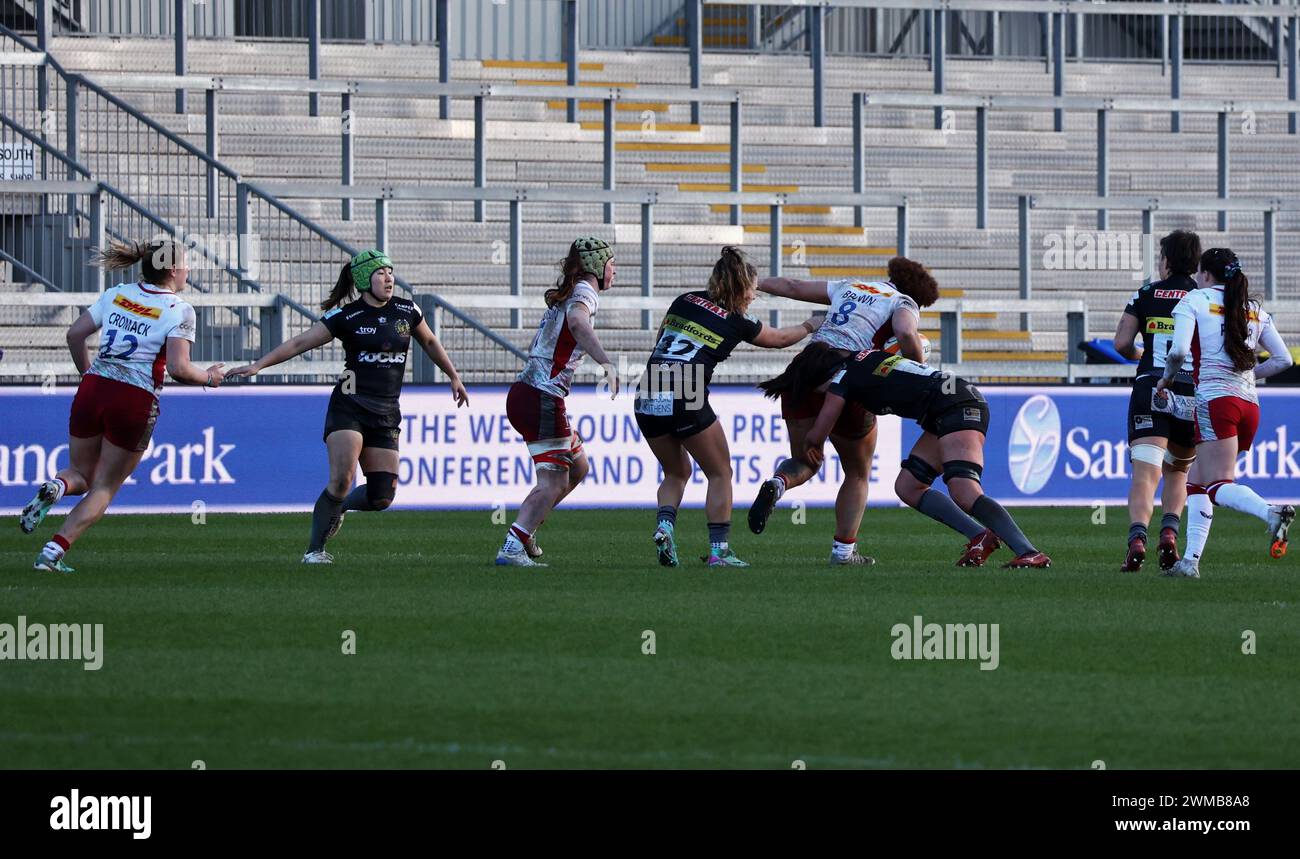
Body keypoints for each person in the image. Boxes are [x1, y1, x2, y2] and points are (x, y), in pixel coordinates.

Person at [747, 256, 1000, 567]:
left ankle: (778, 483)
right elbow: (906, 334)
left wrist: (750, 283)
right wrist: (915, 368)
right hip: (848, 377)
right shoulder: (903, 301)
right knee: (857, 472)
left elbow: (792, 286)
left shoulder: (851, 286)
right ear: (919, 296)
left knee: (805, 459)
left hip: (803, 371)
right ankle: (843, 553)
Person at [227, 249, 469, 564]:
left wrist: (453, 376)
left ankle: (338, 507)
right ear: (363, 279)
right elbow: (300, 342)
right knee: (342, 479)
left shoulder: (408, 310)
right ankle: (314, 551)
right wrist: (258, 366)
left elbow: (431, 343)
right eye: (381, 272)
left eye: (391, 272)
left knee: (382, 496)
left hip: (385, 412)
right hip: (349, 404)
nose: (389, 278)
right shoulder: (347, 316)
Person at [19, 238, 226, 572]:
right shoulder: (179, 309)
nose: (188, 269)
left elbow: (74, 335)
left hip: (94, 389)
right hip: (134, 398)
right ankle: (51, 554)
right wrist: (209, 378)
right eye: (186, 263)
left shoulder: (118, 294)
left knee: (80, 475)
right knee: (104, 487)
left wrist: (88, 374)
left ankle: (57, 485)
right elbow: (178, 368)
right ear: (173, 270)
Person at [636, 246, 822, 568]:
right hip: (687, 386)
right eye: (752, 289)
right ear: (740, 287)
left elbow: (662, 338)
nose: (753, 296)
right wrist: (810, 325)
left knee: (676, 471)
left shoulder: (684, 300)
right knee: (720, 471)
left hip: (649, 386)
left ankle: (665, 526)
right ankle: (719, 552)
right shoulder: (738, 320)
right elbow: (777, 339)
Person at [801, 347, 1052, 569]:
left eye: (816, 390)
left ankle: (1029, 552)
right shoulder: (866, 356)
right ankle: (980, 536)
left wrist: (808, 447)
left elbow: (819, 431)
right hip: (950, 403)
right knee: (908, 486)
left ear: (821, 375)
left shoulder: (842, 377)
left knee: (964, 490)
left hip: (956, 404)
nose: (820, 396)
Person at [1158, 248, 1294, 578]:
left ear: (1204, 274)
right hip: (1249, 405)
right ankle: (1189, 562)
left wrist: (1166, 379)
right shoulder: (1253, 310)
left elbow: (1177, 350)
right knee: (1197, 481)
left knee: (1217, 483)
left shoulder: (1195, 300)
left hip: (1216, 402)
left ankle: (1271, 513)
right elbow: (1284, 360)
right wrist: (1246, 377)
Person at [496, 237, 618, 567]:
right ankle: (513, 545)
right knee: (554, 481)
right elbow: (578, 323)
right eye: (611, 264)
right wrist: (606, 364)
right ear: (596, 267)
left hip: (531, 393)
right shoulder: (585, 293)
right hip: (541, 397)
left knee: (578, 467)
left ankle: (527, 528)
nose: (615, 271)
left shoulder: (570, 292)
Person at [1112, 230, 1201, 572]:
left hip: (1152, 387)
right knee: (1178, 470)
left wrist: (1143, 355)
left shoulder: (1146, 293)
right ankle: (1169, 534)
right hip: (1190, 391)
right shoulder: (1203, 298)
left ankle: (1137, 538)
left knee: (1145, 473)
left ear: (1166, 260)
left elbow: (1121, 344)